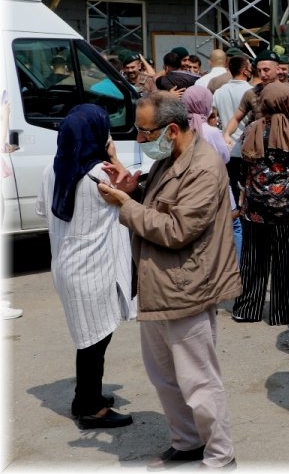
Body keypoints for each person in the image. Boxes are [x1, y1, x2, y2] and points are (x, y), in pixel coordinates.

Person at [96, 92, 240, 470]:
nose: (140, 140)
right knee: (163, 376)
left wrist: (125, 206)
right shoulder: (170, 158)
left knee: (198, 381)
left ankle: (220, 455)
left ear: (171, 130)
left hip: (186, 285)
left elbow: (177, 229)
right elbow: (161, 205)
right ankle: (187, 442)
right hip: (158, 284)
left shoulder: (205, 167)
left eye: (145, 133)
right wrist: (134, 191)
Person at [35, 104, 137, 428]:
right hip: (92, 270)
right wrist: (114, 155)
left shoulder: (53, 170)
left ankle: (86, 396)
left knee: (91, 339)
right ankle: (90, 408)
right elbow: (129, 198)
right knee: (94, 341)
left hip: (66, 266)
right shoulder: (100, 175)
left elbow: (43, 210)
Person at [230, 83, 289, 325]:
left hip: (255, 207)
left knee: (253, 258)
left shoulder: (250, 131)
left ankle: (247, 308)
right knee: (287, 260)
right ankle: (285, 312)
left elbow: (242, 168)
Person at [182, 85, 241, 260]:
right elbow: (224, 158)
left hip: (190, 193)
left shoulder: (181, 129)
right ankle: (235, 270)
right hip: (218, 193)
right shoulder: (211, 131)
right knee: (234, 227)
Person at [213, 54, 255, 205]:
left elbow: (214, 118)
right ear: (245, 71)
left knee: (232, 193)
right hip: (247, 149)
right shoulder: (253, 91)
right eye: (250, 67)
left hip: (227, 148)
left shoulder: (219, 92)